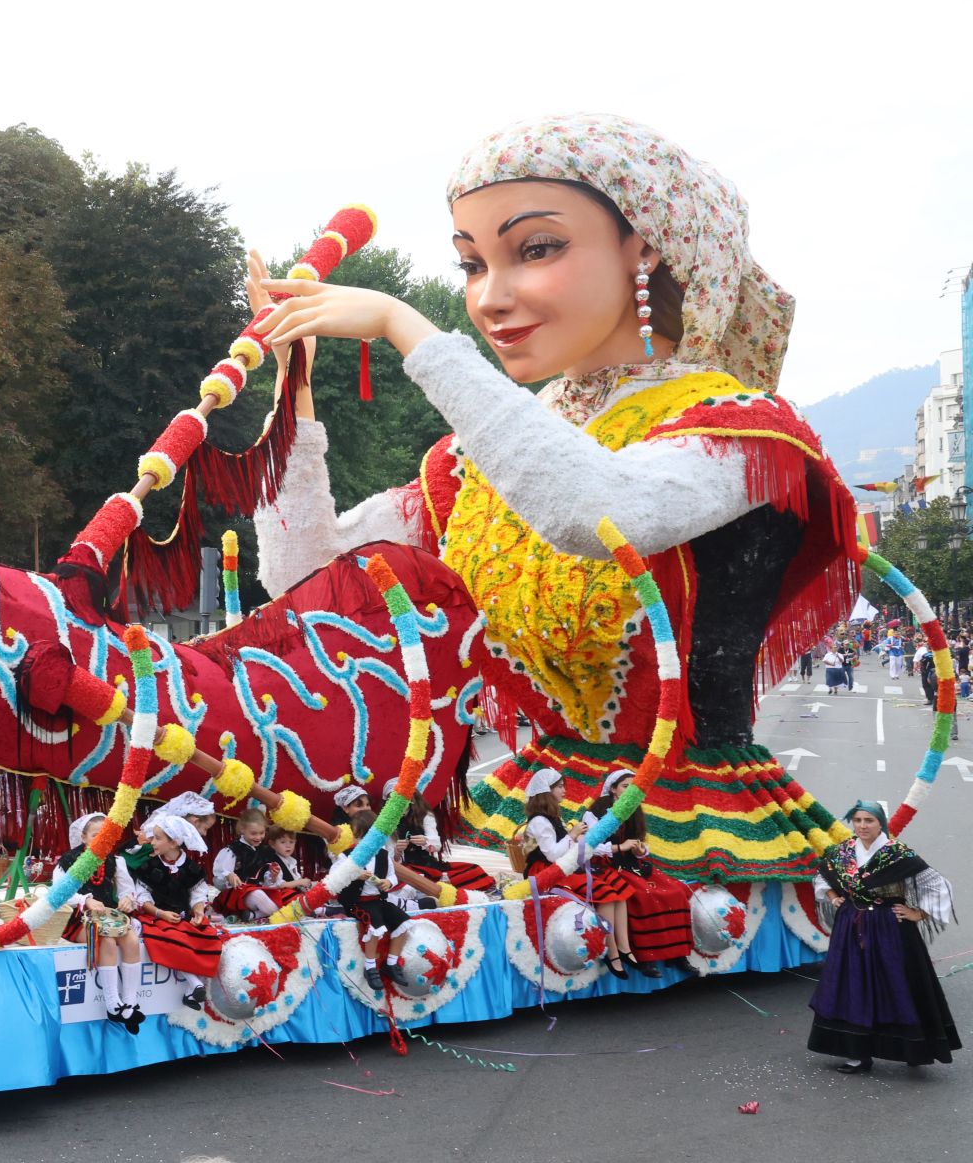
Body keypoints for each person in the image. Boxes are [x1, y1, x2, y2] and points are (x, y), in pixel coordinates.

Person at [250, 113, 858, 885]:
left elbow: (597, 515)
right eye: (472, 264)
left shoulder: (741, 430)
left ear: (648, 250)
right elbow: (307, 577)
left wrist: (410, 330)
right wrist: (290, 397)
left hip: (687, 827)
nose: (492, 297)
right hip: (524, 816)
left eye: (536, 249)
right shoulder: (475, 461)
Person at [808, 800, 960, 1073]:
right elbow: (822, 875)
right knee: (852, 986)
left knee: (898, 984)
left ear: (881, 824)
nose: (863, 826)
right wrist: (833, 896)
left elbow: (937, 885)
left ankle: (914, 1048)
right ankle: (857, 1054)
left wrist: (917, 914)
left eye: (869, 821)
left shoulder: (897, 854)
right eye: (857, 821)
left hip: (890, 928)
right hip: (850, 930)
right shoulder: (842, 853)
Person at [516, 767, 634, 978]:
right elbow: (552, 854)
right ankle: (612, 951)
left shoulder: (551, 817)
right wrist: (572, 834)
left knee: (619, 893)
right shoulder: (539, 821)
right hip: (546, 872)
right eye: (560, 787)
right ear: (546, 791)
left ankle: (624, 947)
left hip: (562, 866)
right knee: (605, 894)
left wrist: (579, 839)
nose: (564, 791)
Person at [583, 769, 691, 971]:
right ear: (613, 789)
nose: (630, 790)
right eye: (625, 786)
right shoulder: (596, 812)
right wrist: (619, 847)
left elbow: (639, 844)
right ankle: (644, 955)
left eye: (634, 787)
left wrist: (641, 850)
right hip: (608, 865)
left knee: (676, 891)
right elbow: (589, 846)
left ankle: (676, 953)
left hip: (633, 864)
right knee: (644, 894)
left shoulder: (634, 809)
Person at [122, 813, 223, 1009]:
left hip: (182, 917)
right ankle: (194, 984)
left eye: (158, 838)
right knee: (171, 936)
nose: (152, 841)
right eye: (152, 837)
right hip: (157, 917)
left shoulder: (192, 869)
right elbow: (143, 898)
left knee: (207, 935)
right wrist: (161, 913)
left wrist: (199, 911)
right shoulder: (148, 867)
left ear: (174, 842)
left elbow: (197, 895)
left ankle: (192, 989)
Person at [56, 812, 145, 1032]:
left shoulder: (115, 860)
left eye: (105, 835)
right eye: (96, 835)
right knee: (105, 939)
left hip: (109, 917)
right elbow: (59, 893)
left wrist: (127, 899)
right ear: (84, 838)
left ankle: (130, 1004)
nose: (101, 839)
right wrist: (85, 900)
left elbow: (128, 890)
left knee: (131, 940)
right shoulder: (69, 860)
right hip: (79, 918)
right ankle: (112, 1003)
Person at [337, 809, 417, 990]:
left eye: (369, 837)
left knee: (403, 921)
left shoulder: (383, 855)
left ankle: (391, 962)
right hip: (357, 902)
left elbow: (392, 876)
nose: (363, 842)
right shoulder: (346, 855)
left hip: (378, 900)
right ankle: (370, 967)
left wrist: (389, 882)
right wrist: (355, 875)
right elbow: (334, 876)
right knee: (376, 926)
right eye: (359, 838)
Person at [211, 805, 282, 921]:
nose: (258, 837)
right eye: (254, 833)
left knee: (279, 895)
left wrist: (273, 877)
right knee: (259, 896)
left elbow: (266, 882)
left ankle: (253, 915)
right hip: (236, 895)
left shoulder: (264, 851)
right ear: (242, 830)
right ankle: (273, 914)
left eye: (261, 833)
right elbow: (218, 877)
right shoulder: (233, 850)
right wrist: (228, 875)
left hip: (257, 891)